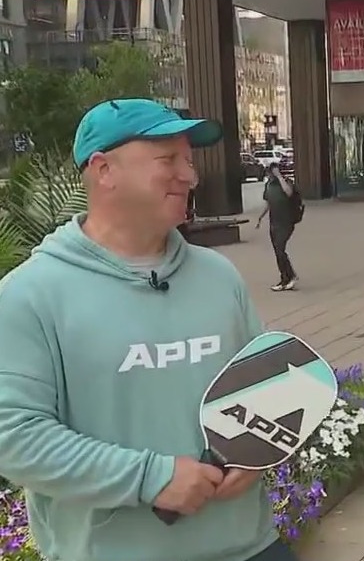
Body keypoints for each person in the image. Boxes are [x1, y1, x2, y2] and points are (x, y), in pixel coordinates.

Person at [0, 99, 298, 561]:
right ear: (104, 171)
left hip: (251, 548)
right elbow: (15, 438)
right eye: (168, 160)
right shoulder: (29, 295)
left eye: (190, 160)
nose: (190, 176)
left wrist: (259, 449)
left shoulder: (218, 275)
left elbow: (265, 386)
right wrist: (149, 477)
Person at [255, 162, 298, 291]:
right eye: (270, 172)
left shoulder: (286, 182)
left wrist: (279, 177)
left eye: (273, 171)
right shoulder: (268, 185)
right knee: (277, 251)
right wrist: (260, 217)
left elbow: (289, 193)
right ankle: (284, 278)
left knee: (280, 248)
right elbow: (268, 203)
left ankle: (291, 276)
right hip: (274, 222)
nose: (270, 174)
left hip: (286, 222)